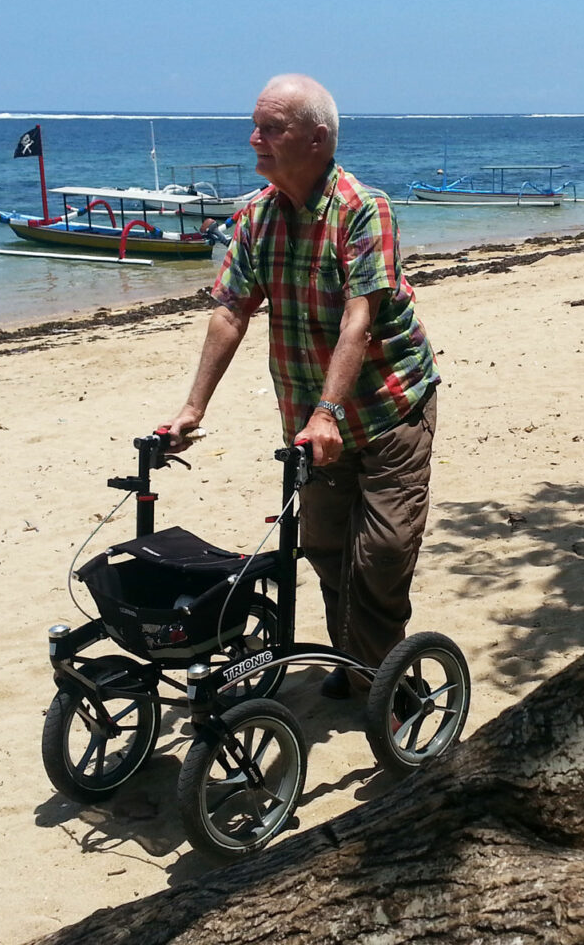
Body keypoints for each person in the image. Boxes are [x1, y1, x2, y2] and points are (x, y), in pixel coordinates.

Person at [165, 74, 439, 699]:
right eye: (255, 124)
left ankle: (387, 684)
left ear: (316, 139)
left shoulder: (363, 210)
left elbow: (359, 318)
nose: (253, 137)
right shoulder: (255, 216)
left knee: (383, 556)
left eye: (271, 128)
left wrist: (328, 413)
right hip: (312, 420)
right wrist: (191, 408)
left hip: (388, 406)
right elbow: (231, 311)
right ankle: (361, 662)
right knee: (323, 544)